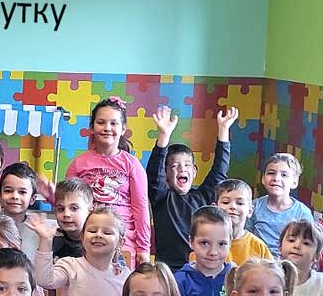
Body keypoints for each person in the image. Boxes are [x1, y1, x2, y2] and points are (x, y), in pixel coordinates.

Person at [147, 105, 238, 268]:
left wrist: (223, 130)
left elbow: (219, 171)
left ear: (194, 171)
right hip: (169, 269)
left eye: (187, 165)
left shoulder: (202, 197)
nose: (182, 169)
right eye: (174, 166)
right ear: (166, 174)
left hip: (199, 267)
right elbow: (154, 173)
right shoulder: (161, 197)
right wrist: (164, 136)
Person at [65, 96, 151, 264]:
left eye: (113, 123)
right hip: (89, 238)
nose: (107, 128)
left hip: (123, 241)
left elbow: (140, 208)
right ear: (92, 127)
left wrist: (144, 248)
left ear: (123, 128)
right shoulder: (78, 164)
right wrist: (51, 196)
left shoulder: (132, 164)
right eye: (101, 122)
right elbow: (68, 203)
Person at [175, 206, 235, 296]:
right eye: (204, 243)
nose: (213, 252)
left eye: (222, 244)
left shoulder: (236, 278)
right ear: (191, 241)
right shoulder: (180, 281)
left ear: (230, 242)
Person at [251, 153, 314, 250]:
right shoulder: (254, 207)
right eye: (271, 173)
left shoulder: (302, 213)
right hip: (257, 258)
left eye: (284, 175)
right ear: (263, 179)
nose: (276, 178)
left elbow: (308, 246)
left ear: (294, 182)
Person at [215, 179, 273, 265]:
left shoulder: (258, 246)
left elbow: (272, 271)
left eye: (240, 203)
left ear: (250, 211)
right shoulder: (206, 242)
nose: (233, 206)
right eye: (226, 202)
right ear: (215, 208)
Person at [0, 162, 43, 258]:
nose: (15, 196)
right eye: (8, 191)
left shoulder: (39, 230)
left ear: (32, 199)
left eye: (22, 192)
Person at [49, 177, 93, 260]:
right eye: (61, 209)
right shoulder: (52, 239)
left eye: (74, 208)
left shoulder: (95, 242)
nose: (66, 214)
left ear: (89, 211)